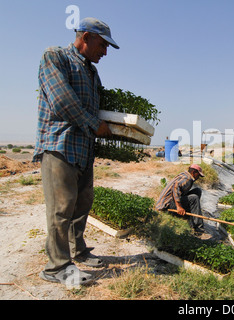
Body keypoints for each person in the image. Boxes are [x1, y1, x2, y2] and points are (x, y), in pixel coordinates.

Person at [33, 17, 119, 286]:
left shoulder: (93, 73)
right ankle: (57, 267)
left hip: (84, 150)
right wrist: (95, 125)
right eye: (103, 45)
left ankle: (78, 251)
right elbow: (61, 100)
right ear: (85, 37)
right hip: (60, 146)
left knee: (82, 205)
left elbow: (95, 110)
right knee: (61, 209)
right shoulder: (55, 57)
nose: (105, 52)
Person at [155, 164, 207, 235]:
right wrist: (179, 207)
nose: (199, 177)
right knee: (194, 198)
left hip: (172, 201)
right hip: (167, 205)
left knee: (197, 191)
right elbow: (175, 187)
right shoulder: (187, 179)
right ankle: (198, 229)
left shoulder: (186, 175)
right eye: (198, 175)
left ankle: (191, 218)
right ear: (194, 172)